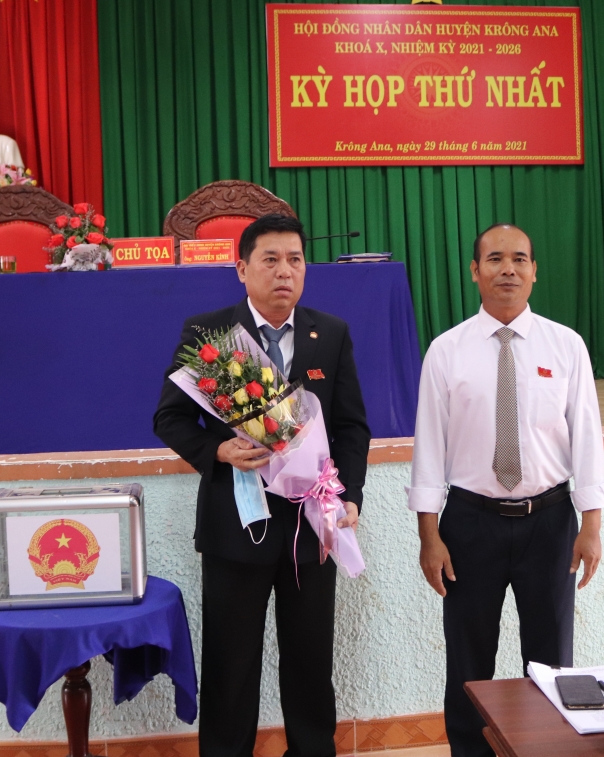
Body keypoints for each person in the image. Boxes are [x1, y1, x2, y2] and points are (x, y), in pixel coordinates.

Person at [154, 213, 371, 757]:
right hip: (237, 526)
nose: (284, 271)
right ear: (242, 268)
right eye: (270, 260)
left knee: (310, 662)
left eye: (295, 260)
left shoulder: (331, 333)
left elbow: (351, 427)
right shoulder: (210, 334)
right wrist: (217, 451)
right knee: (230, 666)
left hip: (311, 526)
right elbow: (170, 418)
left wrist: (349, 497)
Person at [407, 223, 604, 757]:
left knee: (551, 662)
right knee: (468, 660)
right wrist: (429, 535)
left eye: (520, 259)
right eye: (495, 259)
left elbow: (587, 439)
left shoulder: (566, 346)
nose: (508, 269)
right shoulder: (446, 351)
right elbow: (429, 448)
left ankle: (547, 750)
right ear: (475, 271)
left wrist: (591, 525)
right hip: (469, 525)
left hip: (551, 522)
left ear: (534, 271)